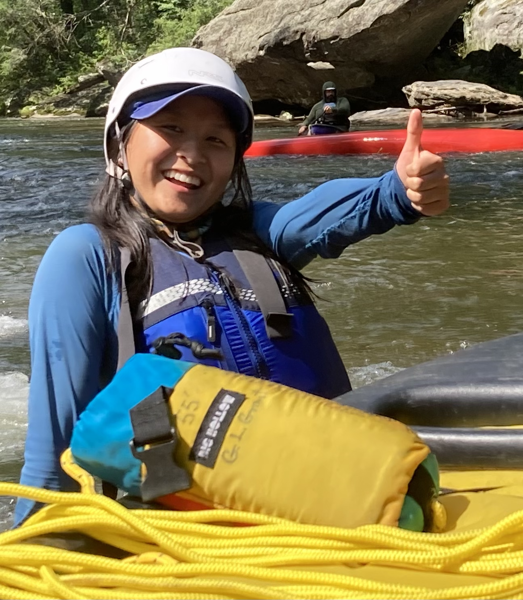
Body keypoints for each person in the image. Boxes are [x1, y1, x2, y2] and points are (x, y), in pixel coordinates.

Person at [16, 48, 449, 524]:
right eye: (171, 128)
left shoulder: (260, 231)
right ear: (121, 145)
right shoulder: (88, 257)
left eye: (216, 139)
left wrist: (396, 191)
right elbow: (52, 451)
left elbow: (316, 216)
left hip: (339, 495)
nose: (193, 155)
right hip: (194, 538)